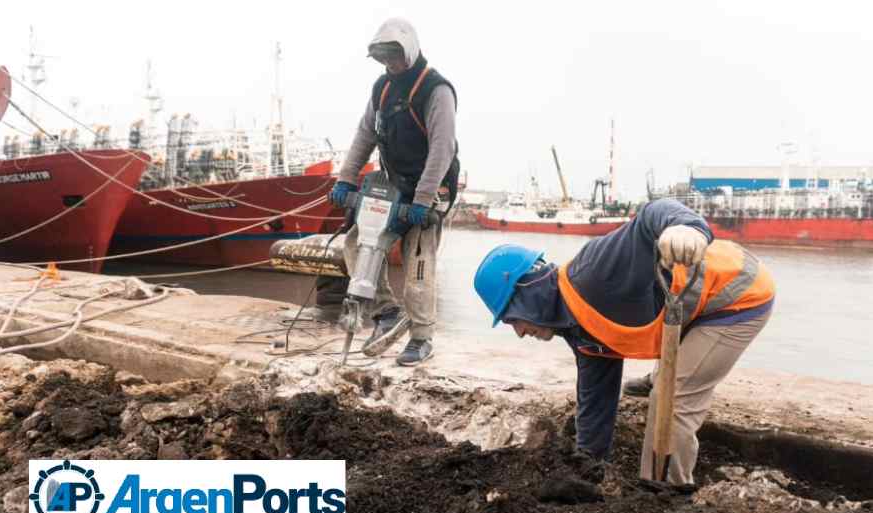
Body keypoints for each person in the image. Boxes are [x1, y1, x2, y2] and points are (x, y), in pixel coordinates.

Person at [473, 199, 775, 486]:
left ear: (526, 296)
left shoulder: (595, 273)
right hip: (687, 305)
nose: (520, 333)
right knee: (662, 376)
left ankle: (665, 491)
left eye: (512, 319)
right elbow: (596, 401)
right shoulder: (578, 329)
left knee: (671, 399)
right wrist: (586, 469)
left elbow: (650, 217)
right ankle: (658, 376)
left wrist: (686, 227)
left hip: (736, 296)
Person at [328, 17, 459, 366]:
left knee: (418, 259)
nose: (391, 64)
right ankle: (387, 311)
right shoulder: (382, 89)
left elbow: (442, 151)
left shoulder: (436, 90)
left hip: (431, 187)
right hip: (394, 183)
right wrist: (345, 179)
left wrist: (422, 201)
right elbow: (364, 136)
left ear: (410, 50)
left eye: (395, 56)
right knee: (357, 243)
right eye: (384, 58)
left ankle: (421, 336)